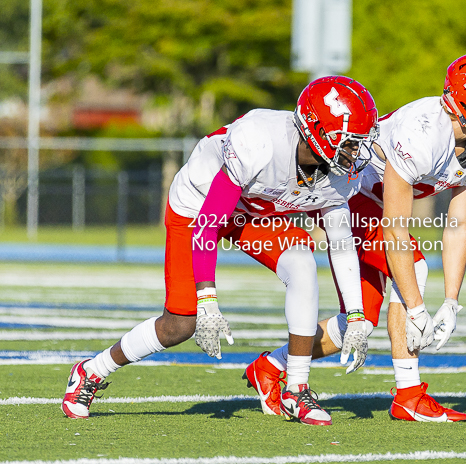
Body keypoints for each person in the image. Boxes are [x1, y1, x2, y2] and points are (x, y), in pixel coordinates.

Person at [61, 76, 379, 426]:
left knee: (302, 261)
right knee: (180, 323)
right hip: (198, 207)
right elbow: (209, 222)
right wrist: (208, 302)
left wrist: (356, 314)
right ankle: (92, 370)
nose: (356, 154)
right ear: (315, 130)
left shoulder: (340, 173)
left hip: (255, 211)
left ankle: (296, 389)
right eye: (349, 143)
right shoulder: (259, 139)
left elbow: (342, 241)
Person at [245, 53, 466, 422]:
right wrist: (416, 308)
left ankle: (270, 365)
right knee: (415, 269)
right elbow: (394, 229)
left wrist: (452, 301)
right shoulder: (423, 131)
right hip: (350, 194)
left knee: (357, 320)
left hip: (377, 204)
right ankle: (408, 394)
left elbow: (459, 224)